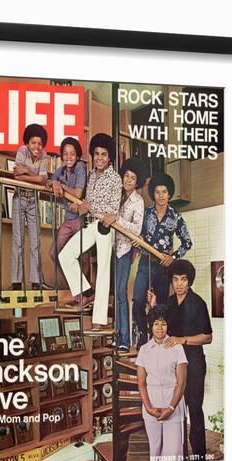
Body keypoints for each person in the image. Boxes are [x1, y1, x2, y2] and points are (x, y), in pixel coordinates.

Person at [148, 259, 213, 461]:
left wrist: (182, 340)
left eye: (183, 279)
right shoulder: (168, 303)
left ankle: (200, 457)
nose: (179, 284)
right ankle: (180, 457)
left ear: (189, 280)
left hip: (193, 364)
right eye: (175, 279)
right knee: (174, 412)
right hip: (173, 366)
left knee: (194, 410)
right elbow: (159, 326)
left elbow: (208, 337)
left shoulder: (198, 303)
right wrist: (153, 306)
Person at [59, 133, 122, 330]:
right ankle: (85, 293)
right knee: (65, 255)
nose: (100, 158)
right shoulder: (91, 175)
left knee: (102, 272)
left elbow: (113, 209)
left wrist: (90, 208)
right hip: (90, 225)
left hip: (105, 226)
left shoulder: (115, 178)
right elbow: (86, 203)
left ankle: (99, 321)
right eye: (97, 154)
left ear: (109, 157)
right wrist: (81, 208)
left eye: (104, 154)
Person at [132, 173, 192, 348]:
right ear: (153, 194)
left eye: (164, 192)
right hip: (144, 262)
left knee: (161, 307)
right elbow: (135, 231)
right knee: (137, 302)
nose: (160, 196)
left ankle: (158, 341)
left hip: (163, 268)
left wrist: (172, 257)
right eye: (157, 192)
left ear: (169, 194)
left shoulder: (176, 217)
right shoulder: (145, 214)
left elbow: (187, 242)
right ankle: (143, 335)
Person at [101, 158, 147, 355]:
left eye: (132, 178)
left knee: (120, 293)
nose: (128, 180)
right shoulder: (116, 194)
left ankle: (124, 339)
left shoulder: (138, 201)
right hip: (107, 247)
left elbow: (136, 229)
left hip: (124, 250)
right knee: (111, 293)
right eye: (126, 176)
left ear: (137, 182)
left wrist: (116, 219)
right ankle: (116, 334)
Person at [136, 305, 188, 461]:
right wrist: (149, 408)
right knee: (155, 452)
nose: (160, 328)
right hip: (151, 407)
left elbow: (181, 383)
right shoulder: (144, 350)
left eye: (163, 323)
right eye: (156, 323)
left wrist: (171, 407)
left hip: (173, 406)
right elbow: (141, 384)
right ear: (151, 325)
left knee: (173, 455)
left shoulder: (177, 348)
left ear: (168, 326)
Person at [11, 124, 53, 291]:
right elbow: (16, 176)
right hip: (19, 199)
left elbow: (43, 181)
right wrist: (35, 176)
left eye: (40, 143)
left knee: (35, 242)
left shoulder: (45, 156)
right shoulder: (22, 151)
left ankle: (36, 282)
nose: (37, 146)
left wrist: (26, 172)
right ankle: (16, 282)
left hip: (33, 200)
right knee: (18, 241)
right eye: (34, 142)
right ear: (28, 143)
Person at [49, 137, 88, 280]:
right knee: (55, 253)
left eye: (72, 153)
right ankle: (75, 282)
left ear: (77, 156)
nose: (69, 157)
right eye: (65, 153)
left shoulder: (80, 167)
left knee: (83, 256)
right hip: (68, 218)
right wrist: (54, 183)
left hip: (80, 219)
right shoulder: (61, 170)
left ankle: (85, 292)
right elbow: (51, 180)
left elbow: (77, 193)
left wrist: (61, 186)